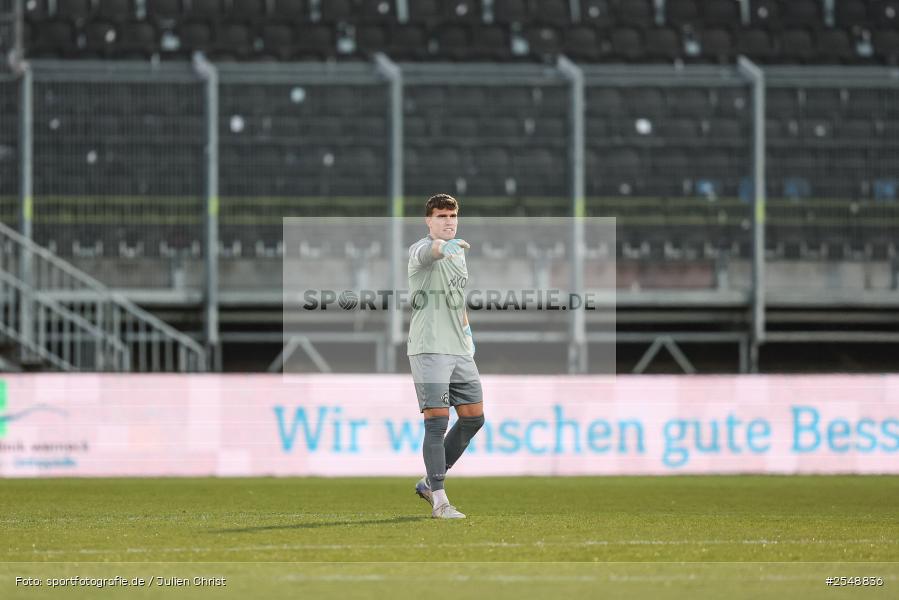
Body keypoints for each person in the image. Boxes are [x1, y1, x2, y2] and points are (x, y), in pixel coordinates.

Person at [407, 193, 485, 519]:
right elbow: (431, 252)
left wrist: (467, 331)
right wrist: (442, 247)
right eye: (441, 216)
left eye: (452, 216)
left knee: (474, 417)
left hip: (459, 349)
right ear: (429, 221)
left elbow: (457, 296)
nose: (449, 221)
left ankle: (429, 482)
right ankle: (440, 500)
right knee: (437, 421)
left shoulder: (459, 253)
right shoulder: (420, 250)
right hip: (430, 347)